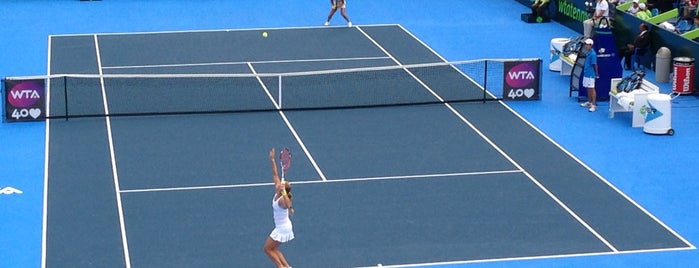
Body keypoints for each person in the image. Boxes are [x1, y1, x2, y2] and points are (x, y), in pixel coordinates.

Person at [263, 148, 295, 268]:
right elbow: (275, 174)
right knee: (273, 249)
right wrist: (272, 159)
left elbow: (288, 204)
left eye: (280, 185)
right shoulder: (278, 191)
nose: (277, 184)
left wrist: (284, 192)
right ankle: (287, 266)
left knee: (267, 249)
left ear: (283, 190)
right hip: (282, 227)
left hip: (283, 229)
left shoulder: (282, 200)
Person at [580, 39, 600, 112]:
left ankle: (594, 105)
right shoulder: (589, 52)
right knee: (588, 88)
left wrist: (596, 73)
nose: (586, 45)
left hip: (591, 75)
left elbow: (595, 65)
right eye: (585, 44)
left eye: (587, 44)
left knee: (592, 89)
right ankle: (589, 102)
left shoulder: (593, 54)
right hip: (586, 73)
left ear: (591, 45)